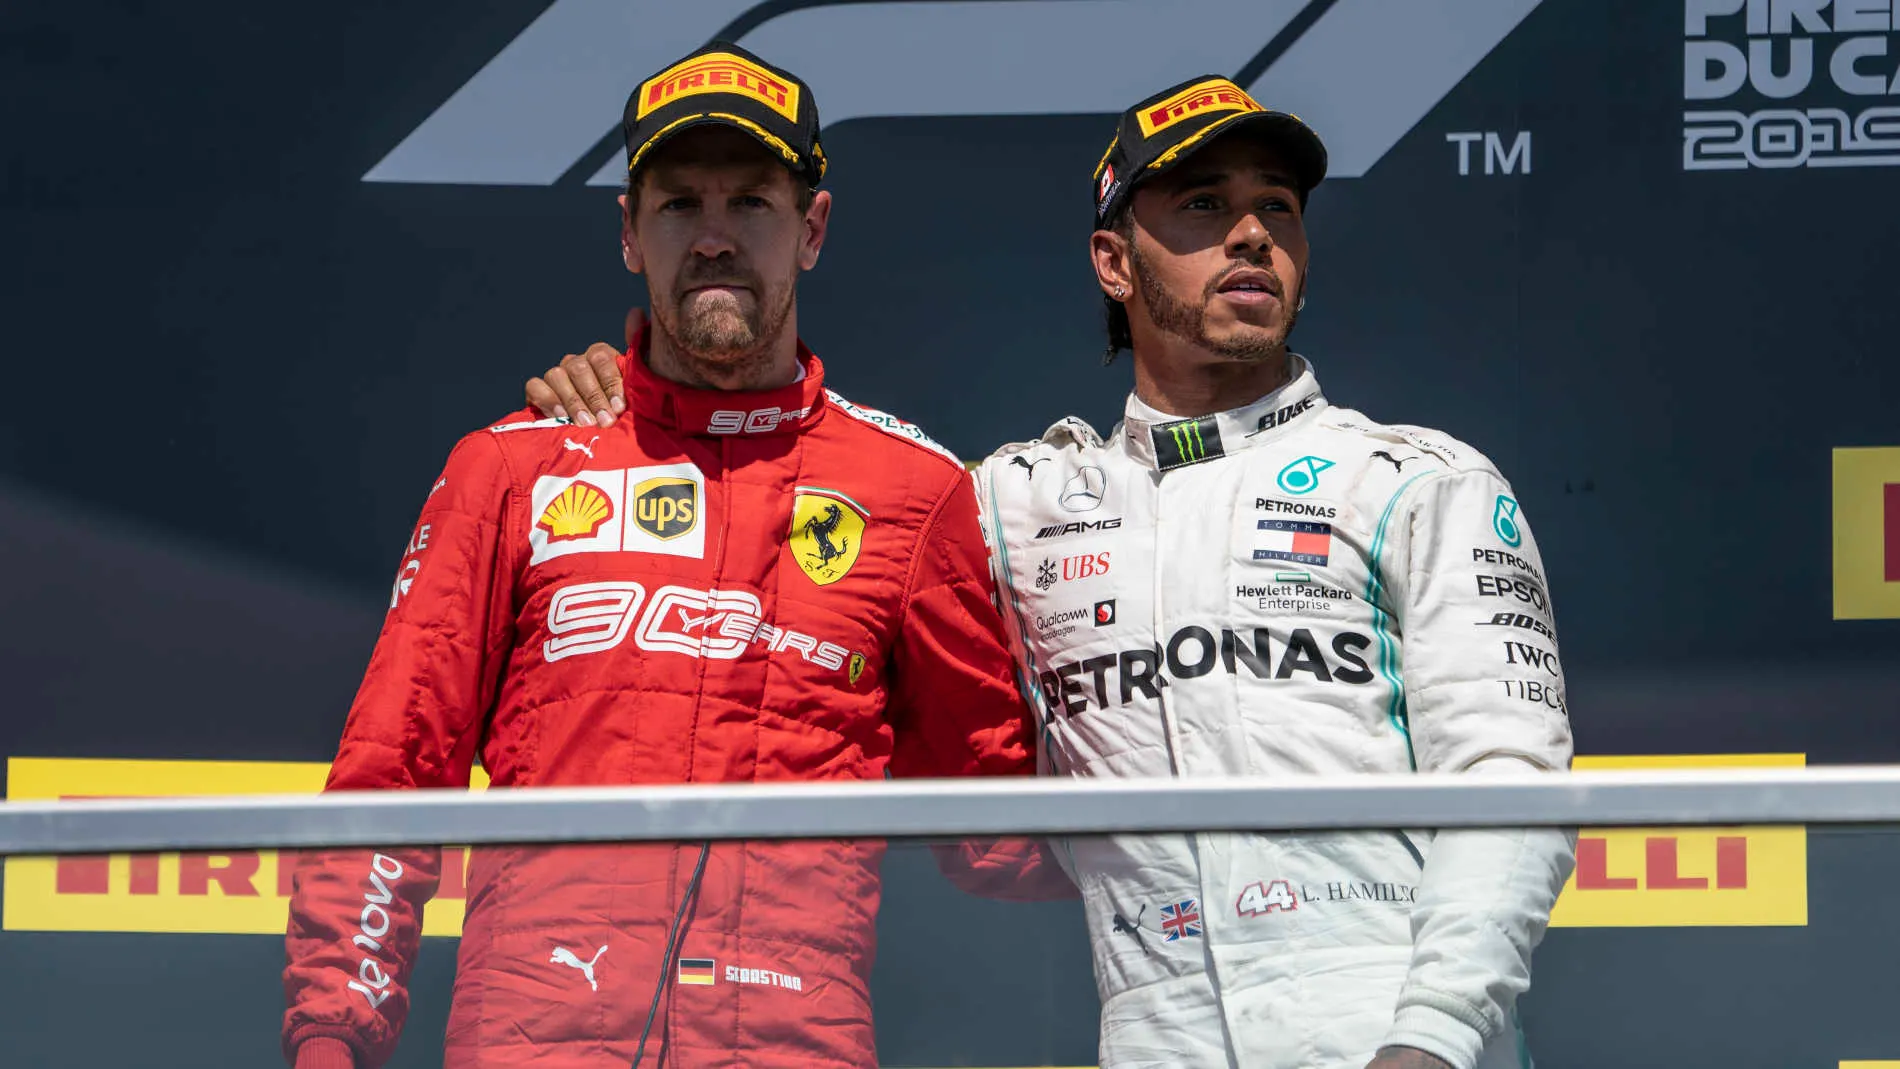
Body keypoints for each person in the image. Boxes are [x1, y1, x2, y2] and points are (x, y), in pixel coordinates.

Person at [524, 77, 1576, 1069]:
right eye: (1203, 205)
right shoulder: (1009, 504)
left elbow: (1512, 784)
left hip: (1389, 1025)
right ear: (1114, 263)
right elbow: (800, 496)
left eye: (1278, 208)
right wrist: (631, 397)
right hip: (1151, 1032)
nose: (1253, 233)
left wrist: (1431, 1034)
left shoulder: (1417, 479)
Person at [282, 43, 1035, 1069]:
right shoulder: (514, 469)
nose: (715, 238)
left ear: (811, 229)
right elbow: (389, 773)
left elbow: (1002, 825)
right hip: (537, 1041)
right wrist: (334, 1036)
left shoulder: (915, 492)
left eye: (752, 205)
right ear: (630, 233)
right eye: (679, 204)